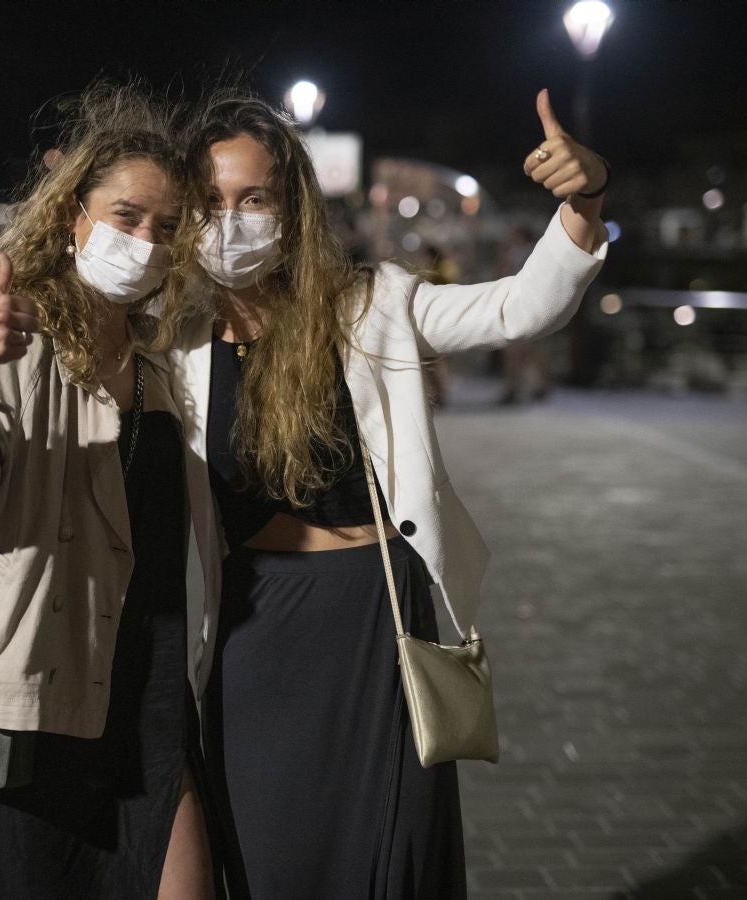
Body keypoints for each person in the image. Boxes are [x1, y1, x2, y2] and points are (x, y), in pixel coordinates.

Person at [158, 86, 609, 898]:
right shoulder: (177, 344)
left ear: (291, 207)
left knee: (384, 866)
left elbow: (520, 306)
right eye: (210, 201)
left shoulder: (369, 306)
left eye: (252, 197)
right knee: (268, 864)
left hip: (374, 622)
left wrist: (585, 200)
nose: (230, 220)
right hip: (251, 639)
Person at [0, 84, 214, 899]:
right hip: (27, 688)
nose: (145, 240)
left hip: (143, 681)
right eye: (125, 215)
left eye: (166, 227)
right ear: (76, 215)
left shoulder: (160, 362)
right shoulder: (21, 336)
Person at [495, 224, 551, 404]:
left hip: (521, 305)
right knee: (530, 350)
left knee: (517, 350)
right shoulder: (534, 252)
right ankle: (537, 386)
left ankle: (516, 388)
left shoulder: (519, 253)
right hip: (532, 305)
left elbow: (504, 274)